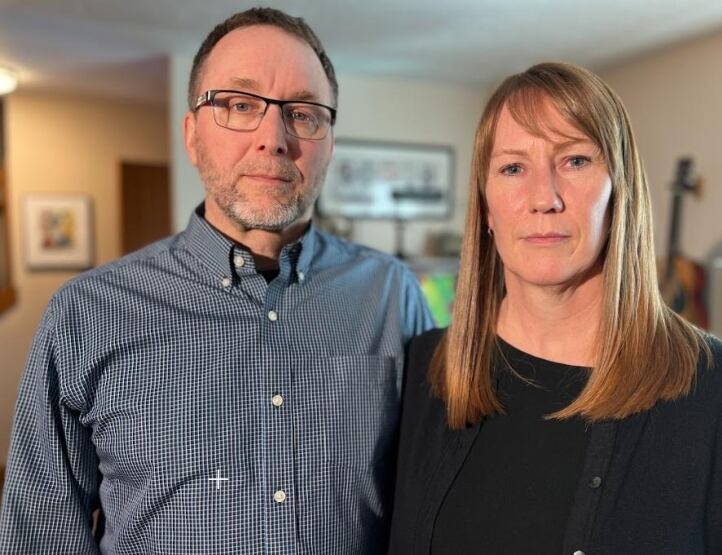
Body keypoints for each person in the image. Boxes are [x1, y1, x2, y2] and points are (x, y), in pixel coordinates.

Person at [0, 7, 433, 554]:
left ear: (329, 141)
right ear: (192, 135)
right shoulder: (87, 313)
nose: (274, 138)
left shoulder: (392, 295)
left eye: (304, 114)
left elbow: (430, 495)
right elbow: (41, 535)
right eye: (240, 105)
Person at [389, 62, 722, 554]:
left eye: (574, 161)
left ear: (620, 191)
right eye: (513, 168)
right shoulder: (424, 372)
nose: (543, 198)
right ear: (486, 208)